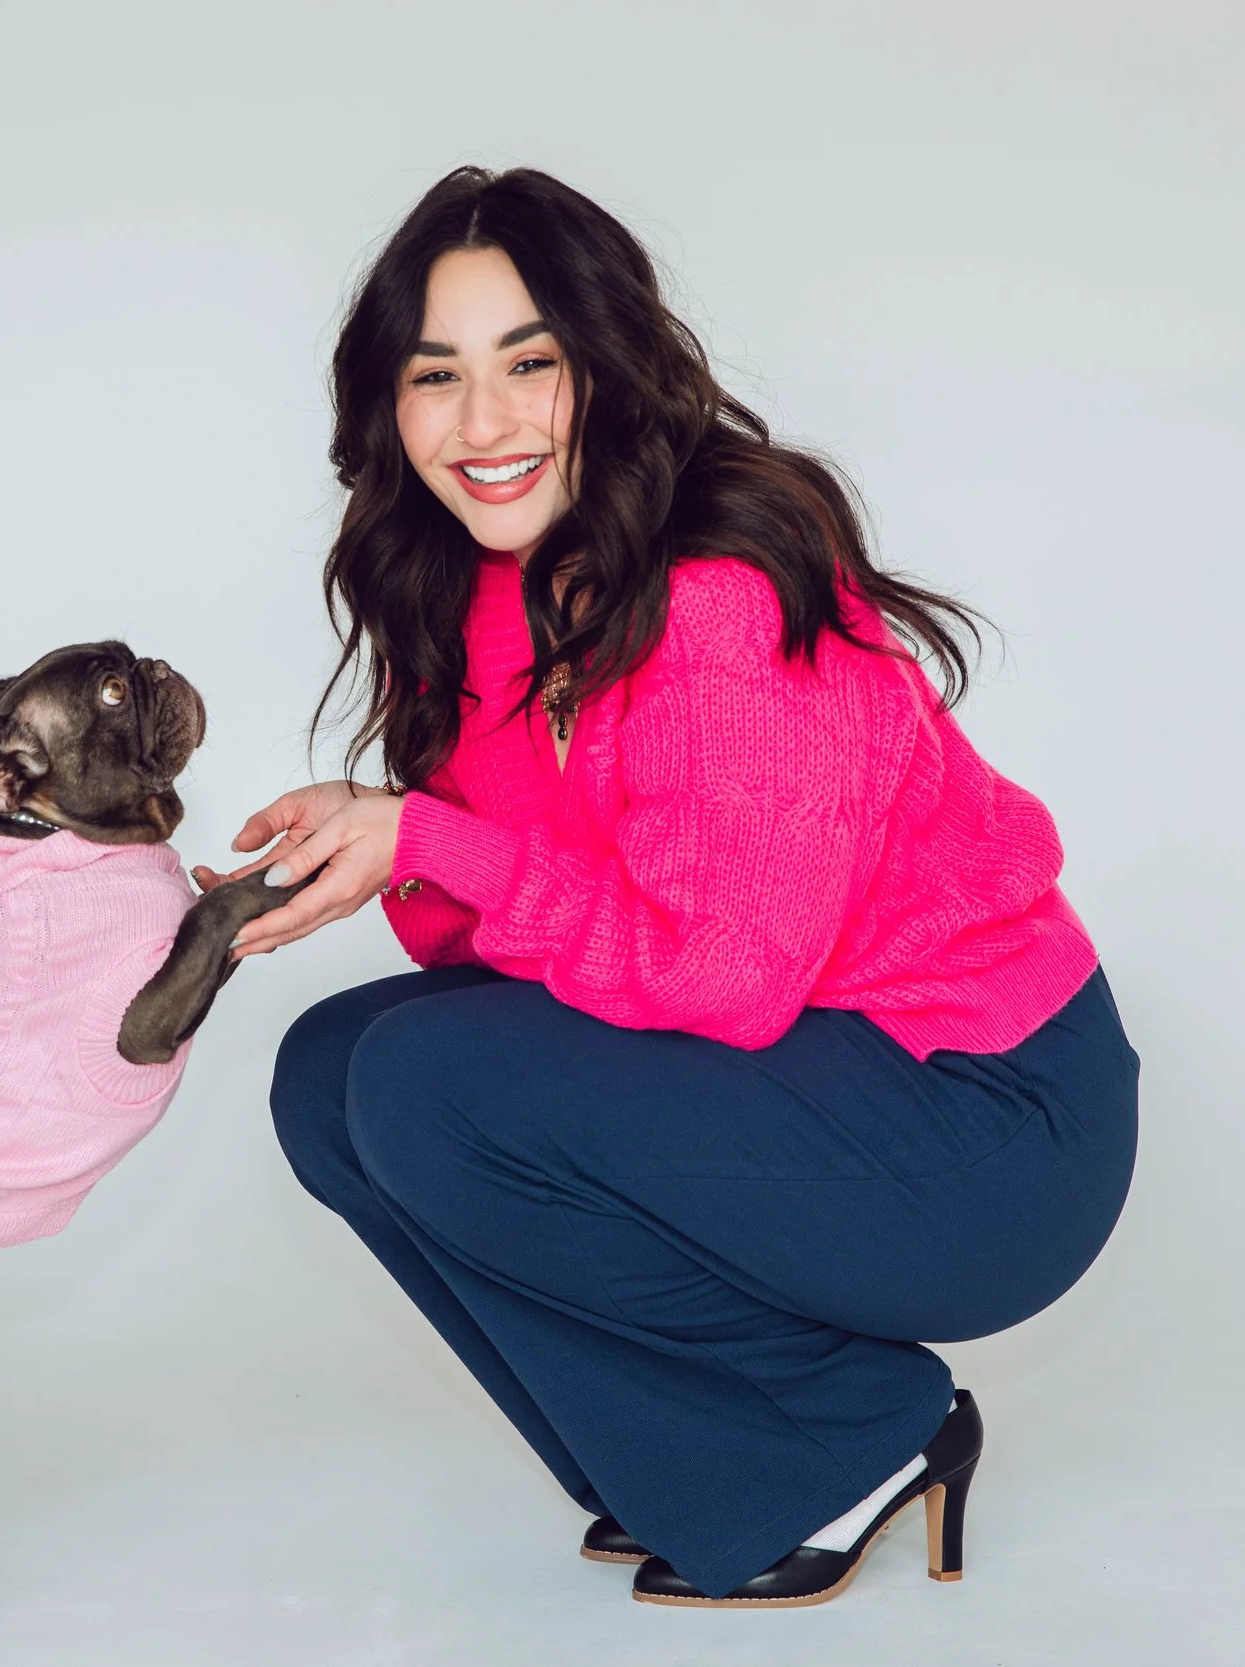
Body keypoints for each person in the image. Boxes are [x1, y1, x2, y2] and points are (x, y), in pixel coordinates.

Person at [204, 166, 1139, 1608]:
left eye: (533, 364)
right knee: (334, 1071)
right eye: (434, 375)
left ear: (611, 371)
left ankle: (846, 1437)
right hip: (812, 1082)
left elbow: (724, 979)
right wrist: (383, 833)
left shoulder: (724, 590)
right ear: (385, 407)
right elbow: (487, 953)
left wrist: (435, 839)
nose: (484, 423)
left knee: (423, 1084)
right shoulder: (471, 592)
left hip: (986, 1120)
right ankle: (701, 1450)